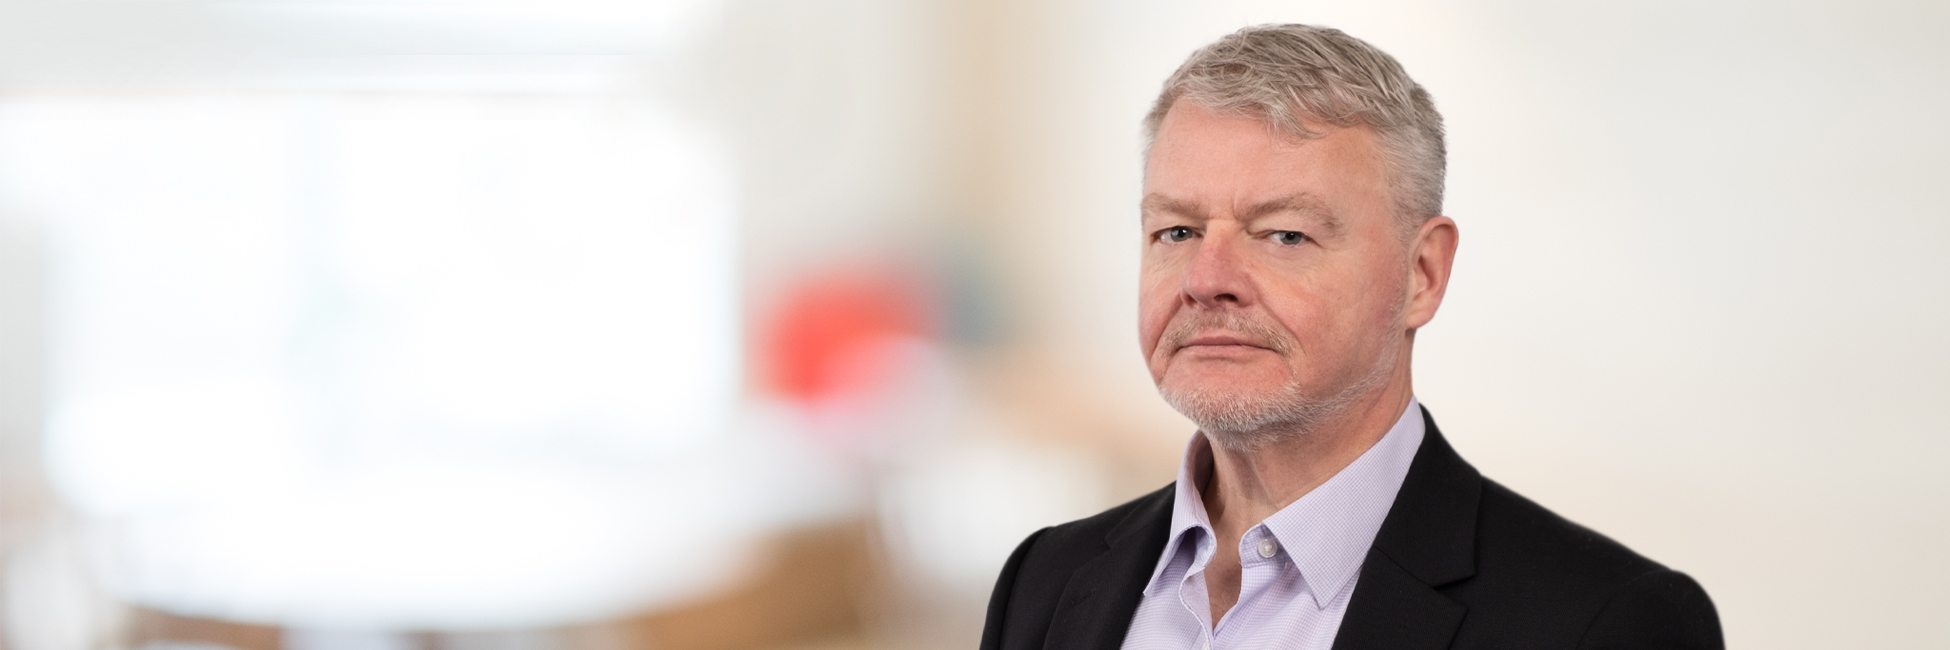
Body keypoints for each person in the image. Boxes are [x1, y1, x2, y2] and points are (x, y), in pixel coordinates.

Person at [979, 24, 1722, 650]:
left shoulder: (1606, 622)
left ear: (1422, 275)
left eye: (1284, 235)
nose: (1207, 278)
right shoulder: (1045, 582)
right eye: (1176, 229)